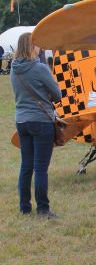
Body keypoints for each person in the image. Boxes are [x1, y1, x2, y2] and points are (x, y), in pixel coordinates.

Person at [10, 33, 62, 218]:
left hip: (22, 121)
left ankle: (24, 207)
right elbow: (57, 95)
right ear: (32, 47)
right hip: (40, 121)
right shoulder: (40, 68)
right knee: (40, 168)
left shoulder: (13, 69)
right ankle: (43, 209)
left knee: (26, 166)